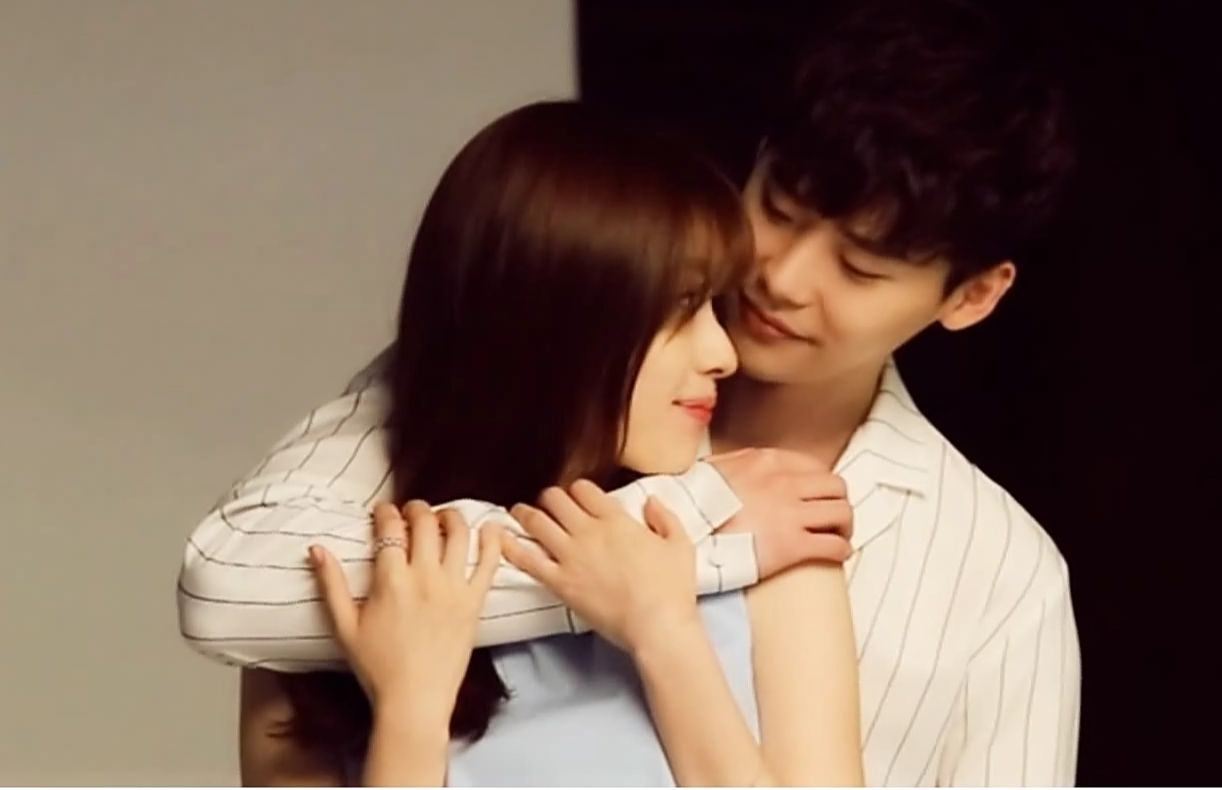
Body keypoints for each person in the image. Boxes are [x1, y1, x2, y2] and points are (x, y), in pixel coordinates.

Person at [182, 0, 1081, 784]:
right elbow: (228, 585)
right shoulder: (512, 378)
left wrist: (663, 611)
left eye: (861, 267)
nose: (780, 277)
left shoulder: (996, 579)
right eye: (779, 207)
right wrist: (686, 539)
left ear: (972, 296)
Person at [226, 100, 862, 786]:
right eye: (680, 309)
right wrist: (411, 714)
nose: (723, 354)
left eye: (715, 306)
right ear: (556, 326)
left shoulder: (764, 546)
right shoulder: (337, 602)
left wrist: (667, 637)